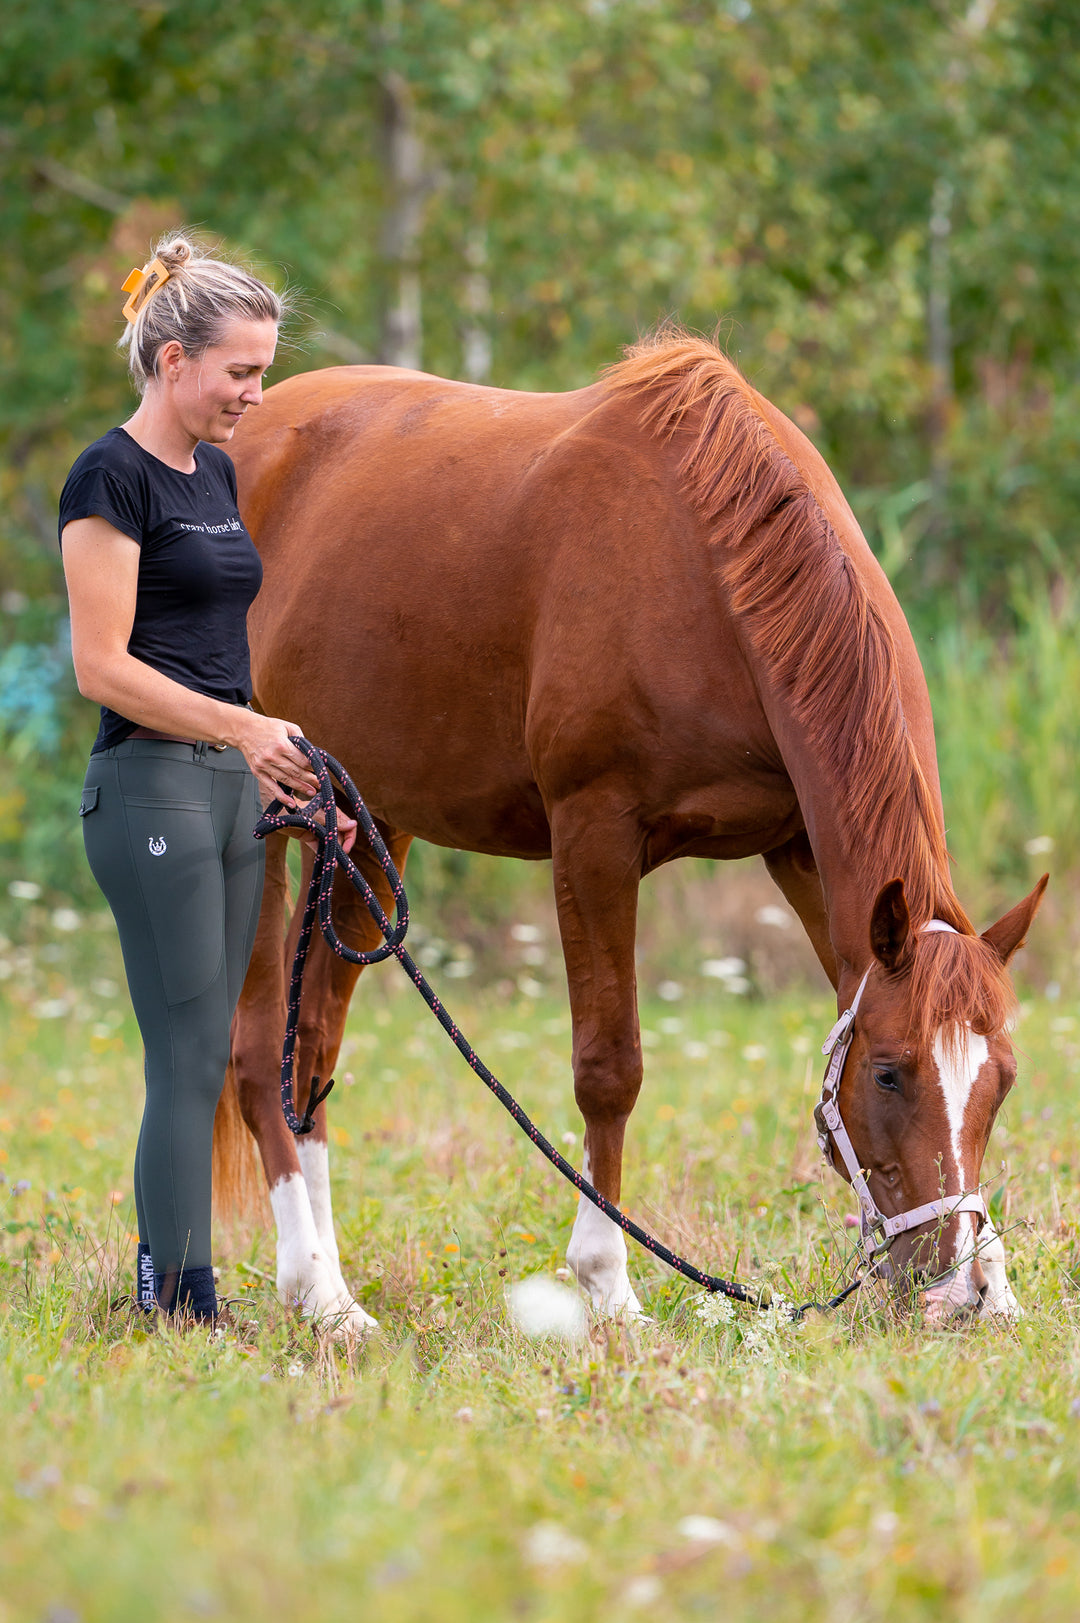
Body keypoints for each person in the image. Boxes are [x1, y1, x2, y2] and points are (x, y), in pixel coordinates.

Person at [59, 233, 350, 1325]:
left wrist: (279, 768)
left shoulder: (217, 474)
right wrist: (243, 729)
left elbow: (217, 642)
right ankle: (174, 1299)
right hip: (149, 787)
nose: (253, 393)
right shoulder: (109, 477)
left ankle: (186, 1291)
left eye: (262, 371)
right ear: (172, 361)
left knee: (239, 1044)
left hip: (230, 793)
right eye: (239, 371)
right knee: (186, 1052)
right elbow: (105, 666)